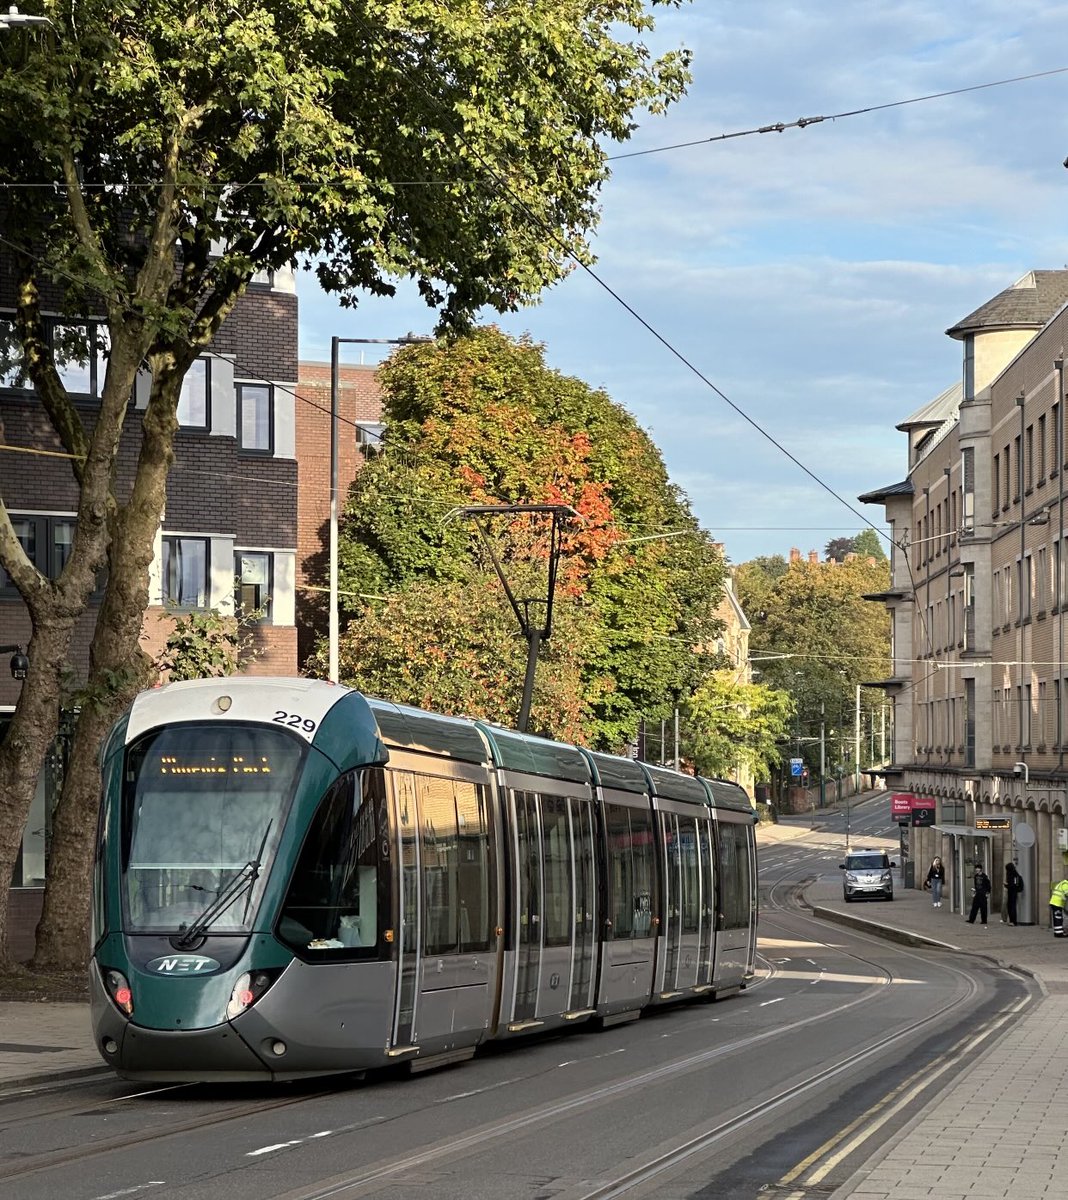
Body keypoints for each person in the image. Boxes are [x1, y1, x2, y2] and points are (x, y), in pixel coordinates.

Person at [1003, 861, 1023, 926]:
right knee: (1011, 906)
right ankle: (1012, 921)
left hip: (1012, 892)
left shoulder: (1012, 875)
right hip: (1013, 891)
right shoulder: (1015, 874)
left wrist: (1006, 885)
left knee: (1011, 906)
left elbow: (1012, 885)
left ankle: (1013, 921)